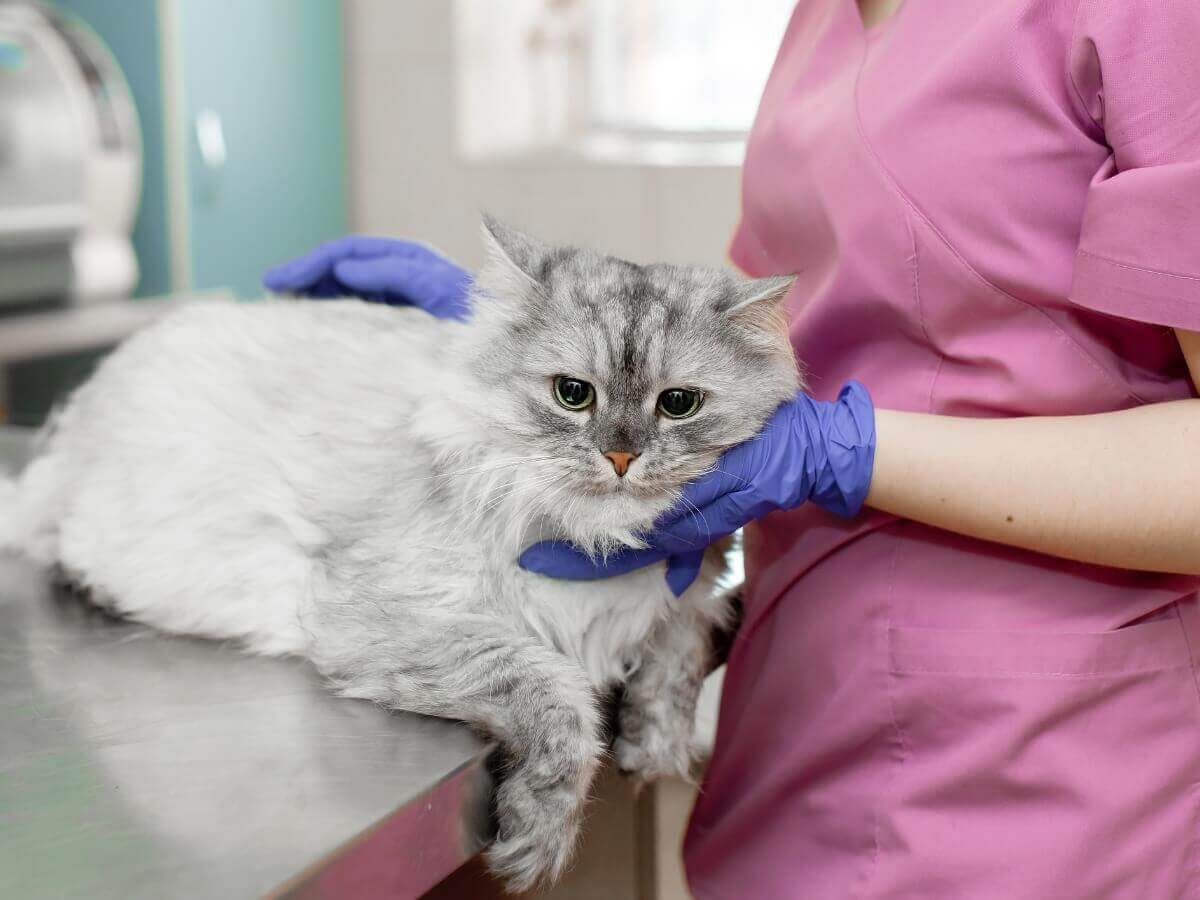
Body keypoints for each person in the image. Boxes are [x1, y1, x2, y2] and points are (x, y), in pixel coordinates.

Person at [265, 0, 1200, 895]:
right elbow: (776, 326)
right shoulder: (820, 19)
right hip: (801, 706)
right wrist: (524, 335)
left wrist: (845, 451)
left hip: (1033, 764)